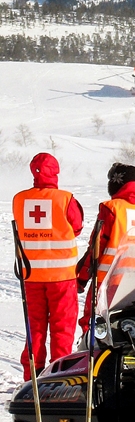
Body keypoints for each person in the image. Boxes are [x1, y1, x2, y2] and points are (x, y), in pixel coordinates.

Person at [12, 153, 84, 380]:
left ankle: (31, 379)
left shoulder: (19, 199)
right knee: (62, 330)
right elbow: (77, 226)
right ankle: (59, 379)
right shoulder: (65, 199)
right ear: (56, 171)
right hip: (62, 278)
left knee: (35, 331)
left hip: (31, 277)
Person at [76, 163, 135, 330]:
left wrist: (82, 278)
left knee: (94, 326)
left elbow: (96, 248)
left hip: (108, 282)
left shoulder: (111, 209)